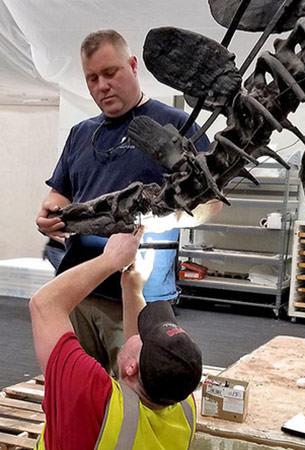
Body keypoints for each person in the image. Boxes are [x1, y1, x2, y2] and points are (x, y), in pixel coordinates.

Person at [34, 29, 216, 374]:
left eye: (110, 73)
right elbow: (62, 191)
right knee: (77, 389)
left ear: (132, 66)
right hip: (78, 286)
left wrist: (159, 218)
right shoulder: (82, 133)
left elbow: (210, 204)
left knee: (135, 395)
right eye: (92, 78)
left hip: (138, 295)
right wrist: (49, 210)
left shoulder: (177, 125)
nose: (101, 85)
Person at [30, 228, 202, 450]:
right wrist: (132, 288)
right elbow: (142, 358)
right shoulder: (182, 404)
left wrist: (110, 260)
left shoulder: (89, 396)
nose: (139, 332)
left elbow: (45, 305)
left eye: (144, 337)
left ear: (131, 367)